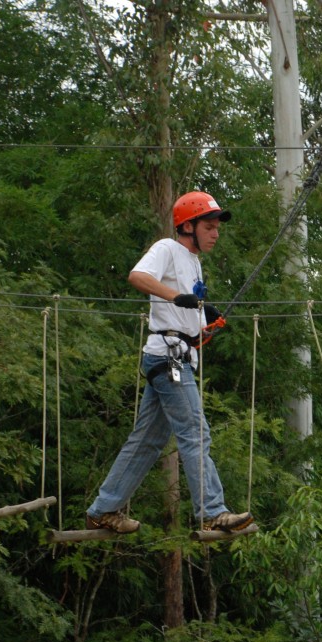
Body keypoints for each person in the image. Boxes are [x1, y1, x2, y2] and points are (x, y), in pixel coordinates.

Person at [84, 191, 254, 535]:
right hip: (167, 356)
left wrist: (203, 319)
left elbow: (180, 311)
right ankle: (212, 510)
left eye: (216, 227)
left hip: (176, 354)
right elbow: (138, 276)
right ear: (187, 226)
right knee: (196, 432)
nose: (216, 233)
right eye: (209, 226)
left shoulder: (193, 261)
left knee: (147, 440)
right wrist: (177, 297)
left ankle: (104, 508)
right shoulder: (167, 248)